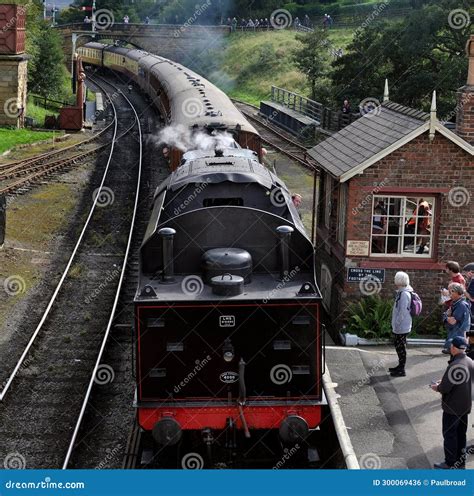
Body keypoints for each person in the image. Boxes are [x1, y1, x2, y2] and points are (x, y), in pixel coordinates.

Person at [431, 336, 473, 469]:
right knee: (461, 435)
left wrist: (436, 387)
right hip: (465, 407)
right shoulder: (470, 361)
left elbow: (444, 388)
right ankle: (460, 463)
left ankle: (449, 462)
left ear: (454, 348)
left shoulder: (455, 365)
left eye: (451, 346)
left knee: (450, 435)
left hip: (452, 408)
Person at [388, 271, 413, 377]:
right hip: (401, 325)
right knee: (399, 346)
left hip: (402, 326)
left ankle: (401, 369)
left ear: (399, 281)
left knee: (401, 347)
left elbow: (402, 311)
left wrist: (396, 324)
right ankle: (400, 366)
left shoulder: (404, 294)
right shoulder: (402, 292)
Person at [442, 283, 471, 354]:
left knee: (456, 360)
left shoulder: (461, 305)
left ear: (456, 292)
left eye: (450, 291)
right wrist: (446, 316)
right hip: (455, 337)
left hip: (458, 340)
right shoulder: (455, 303)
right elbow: (447, 316)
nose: (448, 293)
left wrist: (446, 317)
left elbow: (452, 322)